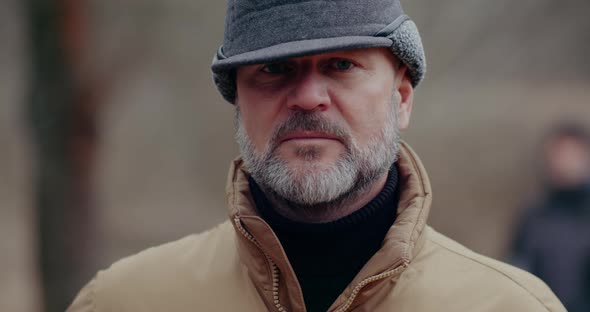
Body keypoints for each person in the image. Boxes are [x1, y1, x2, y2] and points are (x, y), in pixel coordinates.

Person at [68, 0, 565, 311]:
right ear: (237, 101)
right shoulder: (124, 302)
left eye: (341, 64)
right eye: (274, 68)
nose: (308, 97)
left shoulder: (509, 306)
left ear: (402, 97)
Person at [511, 123, 590, 312]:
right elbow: (516, 269)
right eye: (558, 155)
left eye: (571, 155)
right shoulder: (533, 216)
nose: (564, 163)